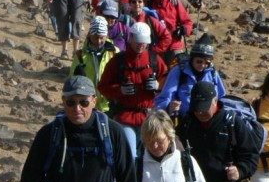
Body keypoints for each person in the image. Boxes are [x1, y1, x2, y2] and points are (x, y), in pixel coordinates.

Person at [97, 22, 168, 157]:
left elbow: (168, 81)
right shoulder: (117, 61)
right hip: (125, 117)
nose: (141, 45)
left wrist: (158, 86)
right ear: (130, 38)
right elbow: (103, 87)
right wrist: (120, 90)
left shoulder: (154, 60)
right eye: (139, 41)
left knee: (149, 156)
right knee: (130, 155)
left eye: (144, 42)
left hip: (149, 118)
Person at [154, 34, 227, 116]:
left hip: (207, 121)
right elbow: (164, 98)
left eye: (207, 63)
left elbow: (222, 98)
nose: (203, 65)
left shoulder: (213, 74)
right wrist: (169, 107)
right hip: (183, 120)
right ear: (192, 59)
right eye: (199, 61)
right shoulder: (179, 71)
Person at [100, 0, 171, 57]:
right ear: (130, 4)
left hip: (146, 56)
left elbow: (167, 37)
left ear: (144, 4)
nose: (137, 4)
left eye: (140, 1)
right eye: (134, 2)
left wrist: (153, 50)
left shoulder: (150, 20)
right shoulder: (124, 19)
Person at [71, 16, 117, 113]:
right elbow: (72, 81)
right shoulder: (80, 55)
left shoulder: (115, 53)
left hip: (109, 105)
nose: (99, 41)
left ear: (106, 36)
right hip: (87, 105)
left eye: (101, 37)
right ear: (89, 35)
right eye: (95, 37)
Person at [148, 0, 193, 68]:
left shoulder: (175, 3)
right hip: (157, 45)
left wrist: (184, 29)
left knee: (176, 71)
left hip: (174, 44)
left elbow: (187, 21)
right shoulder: (149, 3)